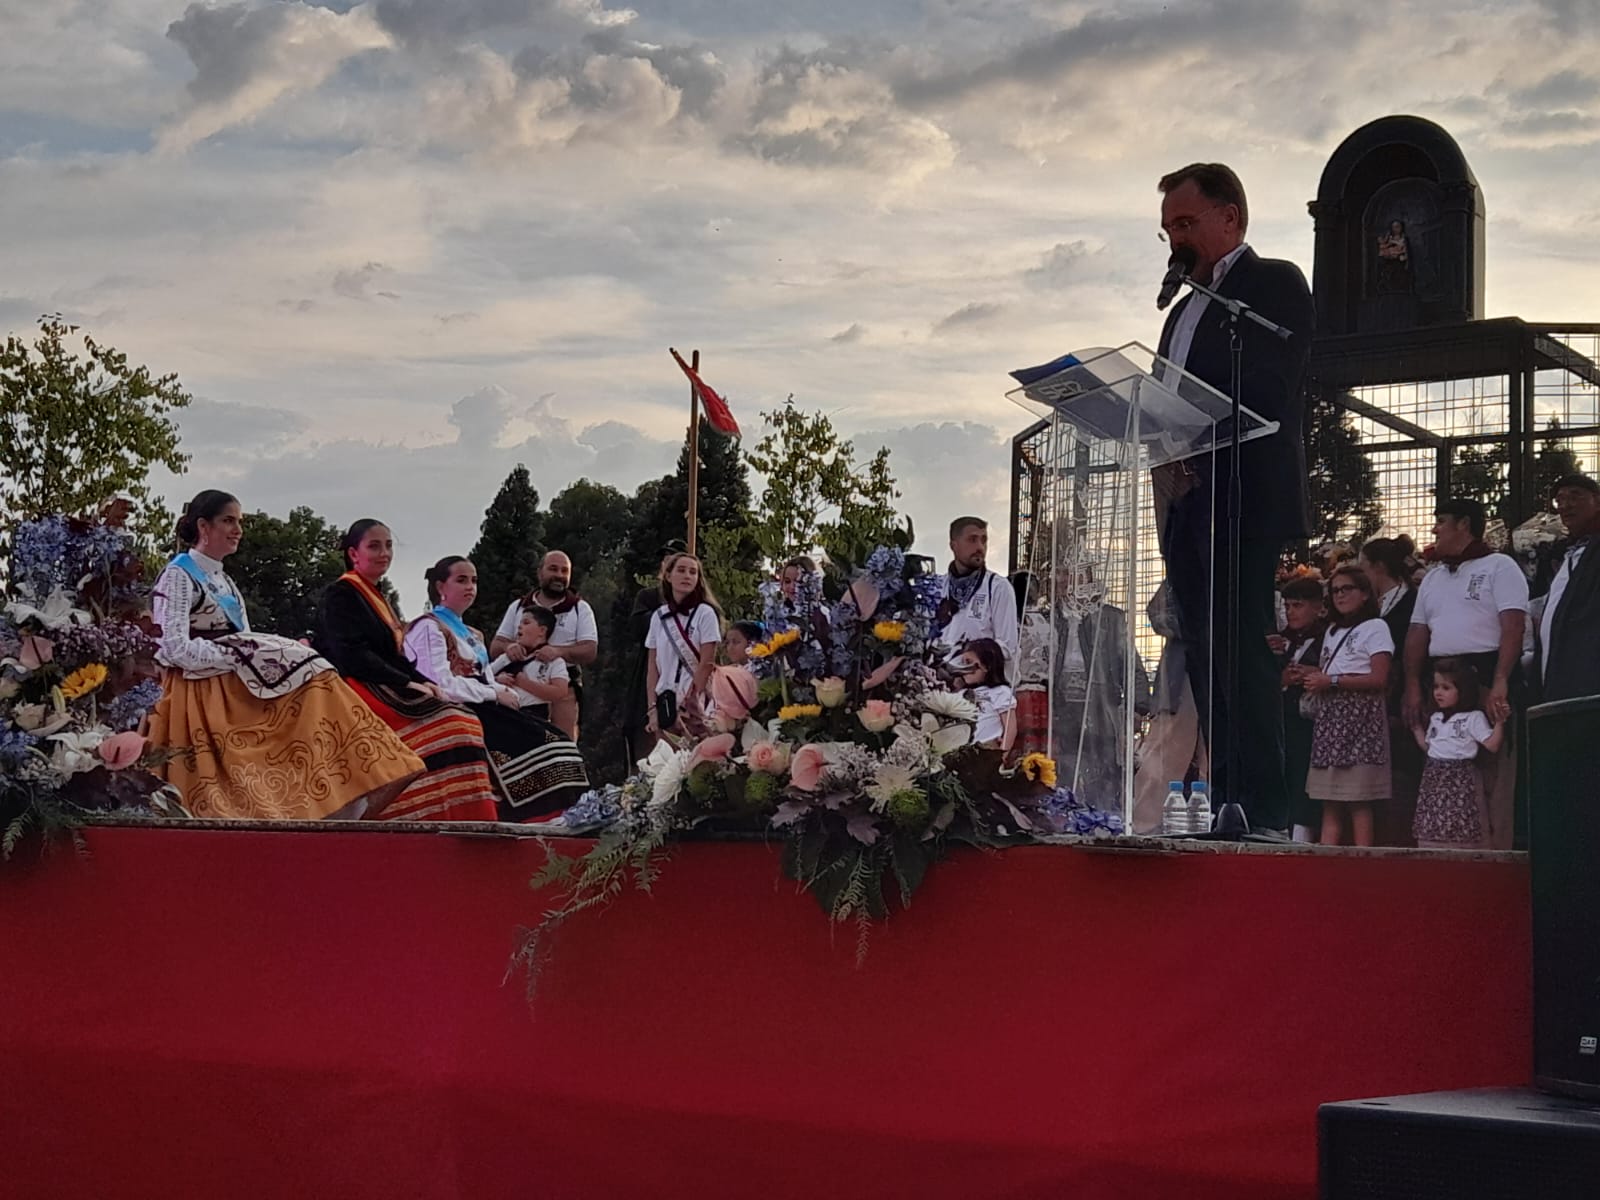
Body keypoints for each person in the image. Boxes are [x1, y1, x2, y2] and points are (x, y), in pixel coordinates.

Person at [1152, 162, 1316, 832]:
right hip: (1187, 498)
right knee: (1203, 648)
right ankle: (1227, 803)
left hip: (1244, 494)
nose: (1176, 241)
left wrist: (1203, 429)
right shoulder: (1184, 309)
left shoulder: (1271, 284)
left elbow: (1276, 384)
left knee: (1242, 644)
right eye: (1167, 230)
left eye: (1186, 224)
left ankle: (1266, 809)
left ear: (1232, 218)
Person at [147, 491, 423, 820]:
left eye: (240, 522)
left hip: (231, 682)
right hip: (194, 692)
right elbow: (171, 646)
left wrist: (250, 653)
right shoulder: (179, 574)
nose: (238, 530)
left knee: (316, 674)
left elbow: (244, 637)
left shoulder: (226, 580)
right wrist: (238, 654)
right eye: (229, 521)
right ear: (204, 526)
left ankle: (354, 781)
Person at [314, 520, 502, 822]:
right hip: (354, 687)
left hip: (381, 680)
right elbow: (351, 653)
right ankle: (438, 812)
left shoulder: (375, 596)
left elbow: (394, 655)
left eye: (388, 546)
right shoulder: (342, 593)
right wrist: (408, 683)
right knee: (455, 723)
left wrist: (423, 682)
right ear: (353, 553)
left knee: (461, 714)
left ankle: (463, 811)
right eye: (374, 546)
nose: (384, 553)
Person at [407, 557, 588, 822]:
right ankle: (532, 817)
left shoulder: (473, 634)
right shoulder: (429, 627)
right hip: (462, 709)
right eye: (461, 580)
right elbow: (441, 683)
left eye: (474, 580)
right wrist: (494, 693)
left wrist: (505, 692)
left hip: (489, 707)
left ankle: (564, 817)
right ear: (440, 586)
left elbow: (488, 676)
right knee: (550, 747)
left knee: (561, 743)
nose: (470, 586)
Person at [1402, 498, 1528, 850]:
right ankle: (1440, 847)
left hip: (1484, 674)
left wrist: (1501, 680)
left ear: (1464, 524)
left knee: (1492, 769)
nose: (1434, 529)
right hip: (1440, 679)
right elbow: (1416, 633)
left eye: (1441, 520)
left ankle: (1494, 854)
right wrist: (1413, 684)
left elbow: (1513, 626)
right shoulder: (1433, 578)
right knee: (1440, 760)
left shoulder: (1500, 567)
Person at [1298, 565, 1392, 847]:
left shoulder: (1376, 627)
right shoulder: (1332, 631)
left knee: (1358, 800)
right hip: (1330, 719)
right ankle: (1327, 861)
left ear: (1365, 593)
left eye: (1347, 589)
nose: (1340, 595)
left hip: (1360, 717)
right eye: (1335, 590)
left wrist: (1334, 681)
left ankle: (1363, 863)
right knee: (1330, 799)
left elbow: (1379, 678)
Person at [488, 550, 597, 740]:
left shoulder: (579, 608)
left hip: (562, 688)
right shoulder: (518, 607)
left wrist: (557, 652)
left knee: (563, 744)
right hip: (517, 687)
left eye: (565, 571)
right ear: (540, 572)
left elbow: (589, 650)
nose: (559, 576)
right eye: (553, 569)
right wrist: (509, 648)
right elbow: (496, 645)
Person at [1359, 535, 1421, 845]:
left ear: (1379, 567)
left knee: (1404, 766)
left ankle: (1403, 836)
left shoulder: (1412, 599)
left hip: (1403, 694)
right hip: (1374, 703)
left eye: (1364, 567)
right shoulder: (1371, 607)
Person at [1412, 658, 1504, 850]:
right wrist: (1416, 729)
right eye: (1436, 687)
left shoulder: (1473, 718)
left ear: (1463, 691)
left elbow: (1492, 745)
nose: (1438, 692)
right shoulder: (1436, 718)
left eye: (1446, 688)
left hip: (1461, 780)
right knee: (1434, 821)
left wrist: (1500, 722)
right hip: (1434, 779)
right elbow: (1430, 748)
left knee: (1464, 822)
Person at [644, 552, 721, 744]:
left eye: (693, 572)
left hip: (695, 703)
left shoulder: (705, 613)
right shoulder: (659, 617)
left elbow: (707, 662)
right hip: (666, 702)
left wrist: (691, 701)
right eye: (681, 570)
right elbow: (653, 666)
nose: (687, 575)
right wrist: (652, 709)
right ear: (668, 576)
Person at [1536, 474, 1600, 703]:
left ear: (1597, 500)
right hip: (1562, 676)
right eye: (1560, 499)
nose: (1566, 505)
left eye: (1575, 496)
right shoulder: (1567, 551)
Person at [1274, 575, 1327, 844]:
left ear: (1317, 606)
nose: (1291, 612)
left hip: (1315, 723)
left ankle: (1303, 839)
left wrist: (1315, 673)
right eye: (1288, 606)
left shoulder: (1329, 635)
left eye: (1298, 605)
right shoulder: (1281, 641)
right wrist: (1282, 678)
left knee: (1307, 783)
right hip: (1285, 720)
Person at [936, 517, 1019, 683]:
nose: (980, 547)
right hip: (937, 683)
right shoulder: (937, 587)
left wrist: (972, 654)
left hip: (981, 691)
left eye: (984, 540)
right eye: (972, 540)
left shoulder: (998, 587)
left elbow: (1008, 647)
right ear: (954, 545)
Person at [489, 606, 570, 720]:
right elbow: (482, 677)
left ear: (542, 631)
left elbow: (560, 692)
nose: (519, 626)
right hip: (501, 714)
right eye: (520, 623)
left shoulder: (554, 662)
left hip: (534, 717)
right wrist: (497, 680)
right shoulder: (507, 657)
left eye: (526, 623)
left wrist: (524, 682)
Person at [951, 638, 1016, 751]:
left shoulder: (1000, 692)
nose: (964, 668)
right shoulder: (961, 694)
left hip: (987, 750)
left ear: (987, 666)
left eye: (969, 662)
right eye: (962, 663)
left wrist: (1003, 752)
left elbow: (1010, 728)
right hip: (961, 752)